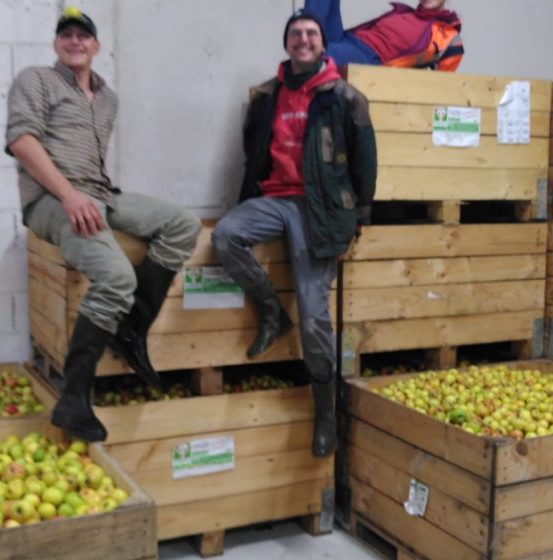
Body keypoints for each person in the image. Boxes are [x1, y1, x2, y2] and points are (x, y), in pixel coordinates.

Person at [5, 7, 201, 442]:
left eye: (83, 36)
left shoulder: (108, 97)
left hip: (100, 194)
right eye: (66, 35)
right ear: (57, 43)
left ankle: (132, 326)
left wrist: (92, 197)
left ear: (96, 46)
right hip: (51, 200)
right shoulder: (35, 80)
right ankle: (73, 399)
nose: (75, 41)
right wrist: (69, 196)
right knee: (115, 276)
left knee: (183, 224)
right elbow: (22, 141)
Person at [212, 10, 376, 458]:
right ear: (287, 44)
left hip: (319, 211)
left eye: (311, 34)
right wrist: (247, 197)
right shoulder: (268, 95)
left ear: (322, 44)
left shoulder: (345, 97)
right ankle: (270, 313)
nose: (303, 40)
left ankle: (325, 414)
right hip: (275, 199)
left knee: (314, 313)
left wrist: (356, 221)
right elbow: (252, 154)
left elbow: (365, 163)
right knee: (225, 236)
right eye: (295, 34)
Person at [304, 0, 464, 70]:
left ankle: (304, 39)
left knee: (314, 52)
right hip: (346, 39)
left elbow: (441, 84)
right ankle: (304, 34)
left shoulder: (448, 37)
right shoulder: (407, 14)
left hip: (366, 57)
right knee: (311, 47)